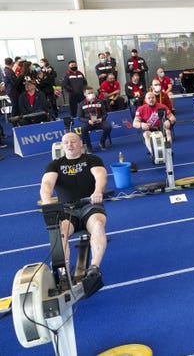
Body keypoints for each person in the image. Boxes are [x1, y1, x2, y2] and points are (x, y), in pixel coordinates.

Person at [40, 132, 107, 279]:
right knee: (60, 231)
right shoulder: (55, 165)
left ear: (81, 143)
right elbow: (47, 184)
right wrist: (46, 202)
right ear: (62, 146)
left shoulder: (92, 159)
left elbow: (100, 176)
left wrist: (97, 191)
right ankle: (64, 273)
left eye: (73, 141)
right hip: (67, 209)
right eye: (66, 143)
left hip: (90, 205)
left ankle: (94, 267)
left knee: (97, 225)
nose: (70, 145)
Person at [133, 91, 176, 156]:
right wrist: (141, 124)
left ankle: (168, 150)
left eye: (153, 98)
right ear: (145, 100)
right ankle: (153, 153)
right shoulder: (140, 109)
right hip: (149, 129)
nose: (151, 99)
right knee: (146, 134)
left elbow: (173, 118)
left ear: (155, 98)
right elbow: (134, 123)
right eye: (149, 98)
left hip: (161, 127)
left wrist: (169, 121)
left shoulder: (162, 106)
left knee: (168, 132)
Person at [77, 86, 112, 153]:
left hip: (99, 121)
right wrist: (88, 121)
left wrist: (101, 119)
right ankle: (89, 146)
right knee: (83, 129)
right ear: (84, 94)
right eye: (89, 93)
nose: (91, 94)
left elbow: (105, 114)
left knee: (108, 127)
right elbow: (80, 117)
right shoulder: (81, 104)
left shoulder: (100, 102)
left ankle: (102, 142)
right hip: (89, 122)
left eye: (92, 92)